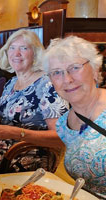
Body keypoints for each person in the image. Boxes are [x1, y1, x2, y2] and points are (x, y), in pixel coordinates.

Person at [0, 29, 68, 175]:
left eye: (24, 48)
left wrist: (16, 133)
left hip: (29, 152)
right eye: (12, 48)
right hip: (3, 145)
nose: (16, 54)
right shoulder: (11, 83)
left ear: (35, 53)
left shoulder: (48, 85)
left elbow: (61, 136)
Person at [43, 36, 106, 197]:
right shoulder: (64, 124)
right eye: (57, 73)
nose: (67, 79)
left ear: (95, 69)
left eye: (75, 68)